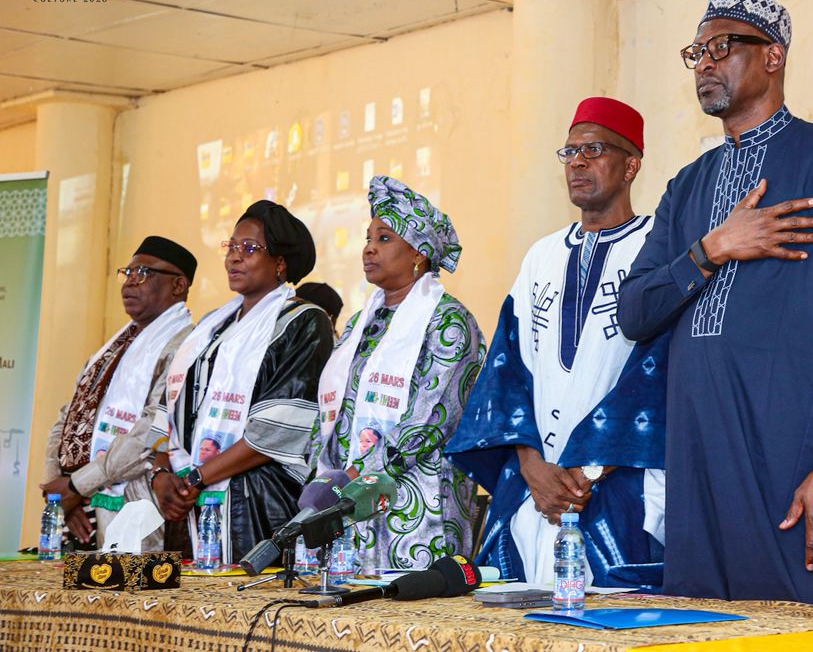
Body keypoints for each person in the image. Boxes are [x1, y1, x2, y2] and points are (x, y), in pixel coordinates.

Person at [616, 0, 813, 607]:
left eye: (721, 46)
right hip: (698, 475)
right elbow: (634, 312)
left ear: (773, 56)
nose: (706, 63)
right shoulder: (687, 188)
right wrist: (710, 250)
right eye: (696, 52)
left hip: (794, 471)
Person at [448, 97, 669, 589]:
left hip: (617, 488)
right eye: (568, 153)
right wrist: (531, 465)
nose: (578, 162)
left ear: (631, 164)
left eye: (594, 149)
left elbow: (663, 371)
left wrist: (586, 470)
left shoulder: (659, 246)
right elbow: (506, 367)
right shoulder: (541, 256)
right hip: (536, 490)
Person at [310, 176, 485, 570]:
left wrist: (353, 475)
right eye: (367, 238)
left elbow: (431, 418)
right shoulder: (360, 324)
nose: (369, 248)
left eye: (384, 238)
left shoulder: (449, 322)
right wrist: (323, 474)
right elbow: (333, 409)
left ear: (419, 253)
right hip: (346, 509)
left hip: (416, 511)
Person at [150, 200, 334, 563]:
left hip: (255, 510)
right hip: (189, 508)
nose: (234, 258)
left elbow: (276, 431)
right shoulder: (209, 331)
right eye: (230, 247)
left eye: (248, 249)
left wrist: (196, 478)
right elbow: (165, 412)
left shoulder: (304, 322)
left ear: (280, 264)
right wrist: (160, 474)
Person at [40, 236, 197, 551]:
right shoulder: (113, 346)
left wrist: (76, 486)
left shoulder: (185, 345)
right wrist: (62, 495)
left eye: (143, 273)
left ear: (178, 285)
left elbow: (149, 433)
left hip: (136, 503)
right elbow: (68, 414)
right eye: (127, 273)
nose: (129, 283)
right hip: (80, 509)